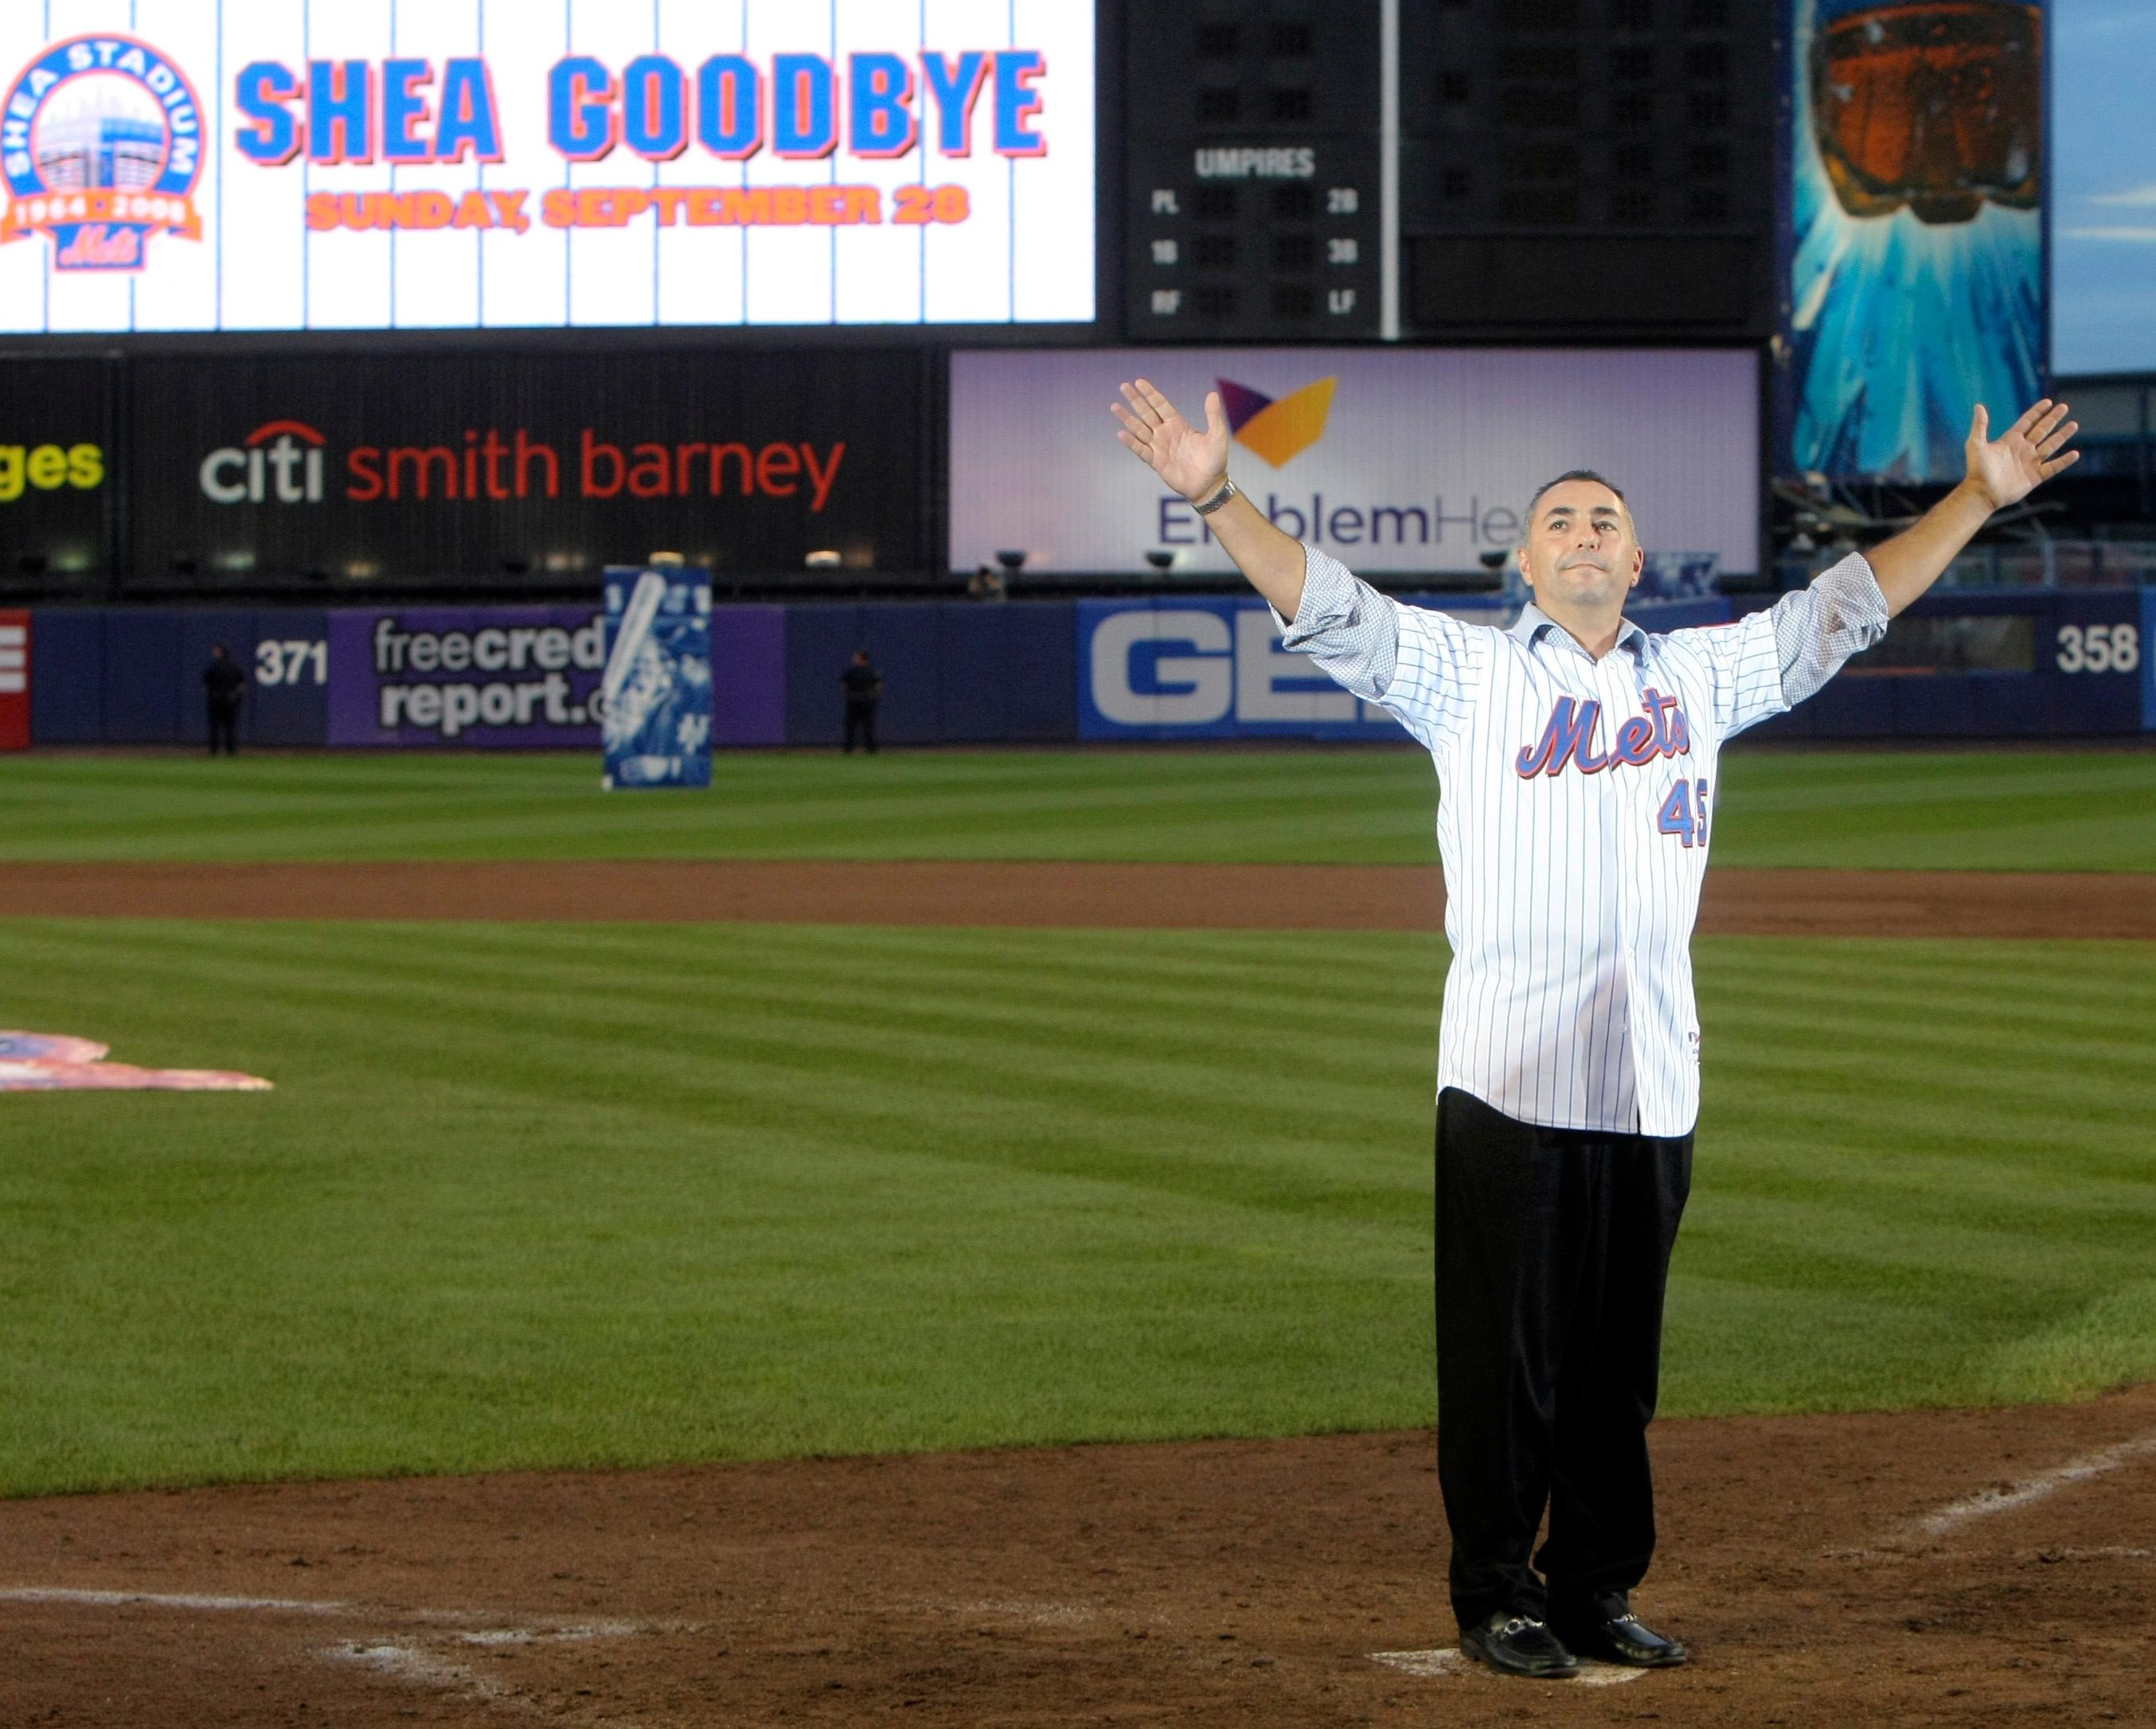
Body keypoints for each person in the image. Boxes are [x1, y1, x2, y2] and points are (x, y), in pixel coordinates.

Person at [1111, 379, 2078, 1680]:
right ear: (1524, 558)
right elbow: (1323, 602)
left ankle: (1593, 1585)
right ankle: (1495, 1589)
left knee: (1615, 1374)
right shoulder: (1462, 672)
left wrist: (1973, 497)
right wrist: (1218, 494)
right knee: (1502, 1367)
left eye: (1601, 520)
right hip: (1507, 1077)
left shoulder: (1697, 673)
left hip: (1650, 1086)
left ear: (1633, 558)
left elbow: (1842, 609)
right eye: (1556, 518)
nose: (1579, 532)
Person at [203, 643, 246, 756]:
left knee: (215, 728)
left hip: (216, 700)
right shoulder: (235, 666)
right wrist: (236, 696)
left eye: (216, 651)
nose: (214, 653)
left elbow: (206, 683)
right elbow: (242, 684)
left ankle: (214, 751)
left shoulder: (213, 666)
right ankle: (231, 751)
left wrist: (213, 693)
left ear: (220, 652)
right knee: (230, 728)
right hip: (230, 700)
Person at [841, 649, 882, 755]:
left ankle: (870, 749)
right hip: (855, 701)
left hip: (865, 701)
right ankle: (849, 749)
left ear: (863, 659)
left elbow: (878, 685)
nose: (855, 659)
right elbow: (844, 685)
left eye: (857, 658)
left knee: (867, 726)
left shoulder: (871, 672)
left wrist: (874, 696)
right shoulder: (851, 672)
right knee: (851, 726)